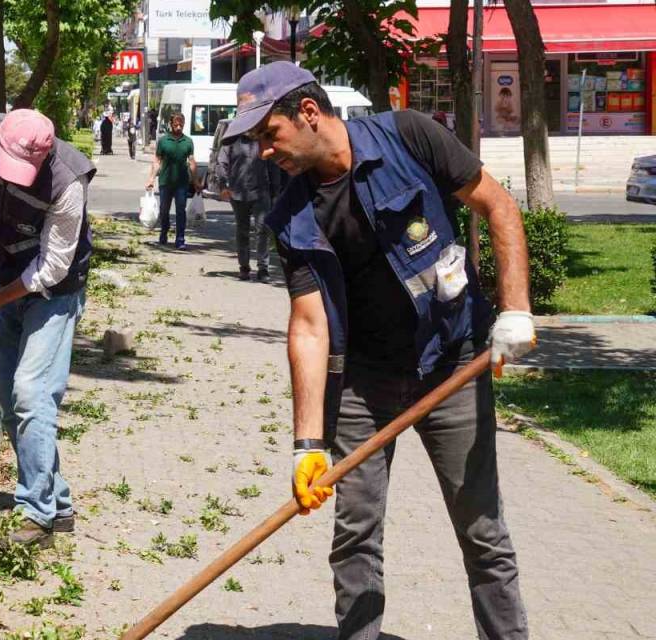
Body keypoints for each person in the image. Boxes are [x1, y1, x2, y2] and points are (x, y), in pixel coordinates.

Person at [223, 62, 538, 639]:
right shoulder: (291, 215)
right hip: (364, 383)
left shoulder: (410, 136)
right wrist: (307, 445)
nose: (265, 153)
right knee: (356, 536)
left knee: (482, 530)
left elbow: (498, 205)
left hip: (453, 363)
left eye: (269, 134)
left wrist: (515, 308)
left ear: (309, 113)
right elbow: (310, 326)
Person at [0, 109, 94, 548]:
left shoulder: (68, 182)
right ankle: (57, 501)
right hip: (9, 272)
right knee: (10, 399)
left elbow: (52, 266)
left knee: (32, 391)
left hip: (56, 290)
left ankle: (37, 513)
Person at [215, 132, 285, 281]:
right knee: (242, 231)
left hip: (261, 192)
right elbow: (221, 163)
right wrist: (223, 185)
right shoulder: (232, 139)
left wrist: (276, 192)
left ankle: (263, 268)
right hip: (238, 193)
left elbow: (273, 165)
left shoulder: (263, 138)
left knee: (263, 230)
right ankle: (244, 267)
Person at [145, 113, 198, 249]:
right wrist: (151, 179)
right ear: (171, 124)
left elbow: (191, 162)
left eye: (181, 124)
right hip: (165, 182)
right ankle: (164, 232)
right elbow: (157, 161)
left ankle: (180, 239)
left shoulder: (188, 141)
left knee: (181, 211)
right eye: (176, 124)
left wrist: (196, 181)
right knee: (164, 210)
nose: (179, 127)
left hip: (182, 183)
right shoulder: (163, 141)